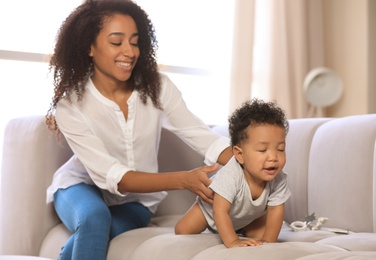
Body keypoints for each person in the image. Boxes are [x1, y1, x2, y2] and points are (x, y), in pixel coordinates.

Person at [45, 0, 233, 259]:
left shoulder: (158, 88)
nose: (130, 51)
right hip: (81, 187)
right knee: (94, 218)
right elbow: (116, 176)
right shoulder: (70, 106)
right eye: (116, 42)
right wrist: (184, 180)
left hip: (137, 202)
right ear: (89, 46)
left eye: (134, 42)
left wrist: (251, 163)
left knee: (94, 237)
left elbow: (201, 135)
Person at [175, 98, 291, 248]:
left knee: (261, 235)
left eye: (280, 149)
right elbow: (220, 211)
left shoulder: (278, 178)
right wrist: (233, 241)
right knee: (182, 230)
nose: (273, 157)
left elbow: (276, 210)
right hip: (210, 212)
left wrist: (268, 242)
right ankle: (232, 231)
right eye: (263, 150)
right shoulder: (231, 174)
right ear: (240, 154)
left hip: (246, 218)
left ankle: (243, 228)